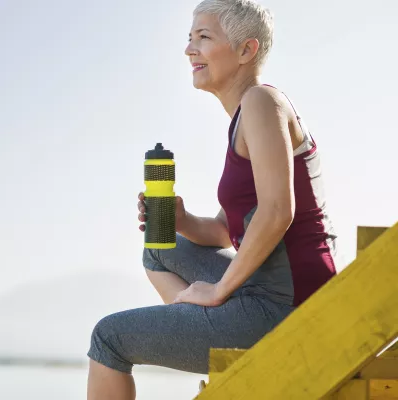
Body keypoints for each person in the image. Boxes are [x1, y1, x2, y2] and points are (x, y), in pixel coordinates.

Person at [86, 0, 339, 398]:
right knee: (158, 247)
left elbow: (276, 212)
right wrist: (182, 219)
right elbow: (224, 230)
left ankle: (206, 321)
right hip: (267, 290)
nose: (190, 50)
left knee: (108, 337)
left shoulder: (261, 102)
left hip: (288, 306)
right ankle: (199, 325)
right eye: (190, 39)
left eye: (203, 38)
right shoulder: (246, 115)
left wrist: (217, 291)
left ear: (246, 50)